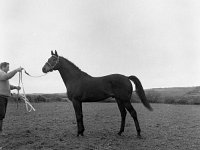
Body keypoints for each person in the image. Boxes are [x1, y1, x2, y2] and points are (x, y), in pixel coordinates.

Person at [0, 62, 23, 136]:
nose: (9, 69)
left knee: (1, 116)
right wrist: (16, 70)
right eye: (7, 67)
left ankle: (1, 131)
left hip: (3, 98)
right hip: (0, 98)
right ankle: (0, 132)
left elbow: (8, 85)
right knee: (0, 115)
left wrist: (15, 87)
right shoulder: (1, 73)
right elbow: (6, 77)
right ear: (3, 67)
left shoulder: (2, 74)